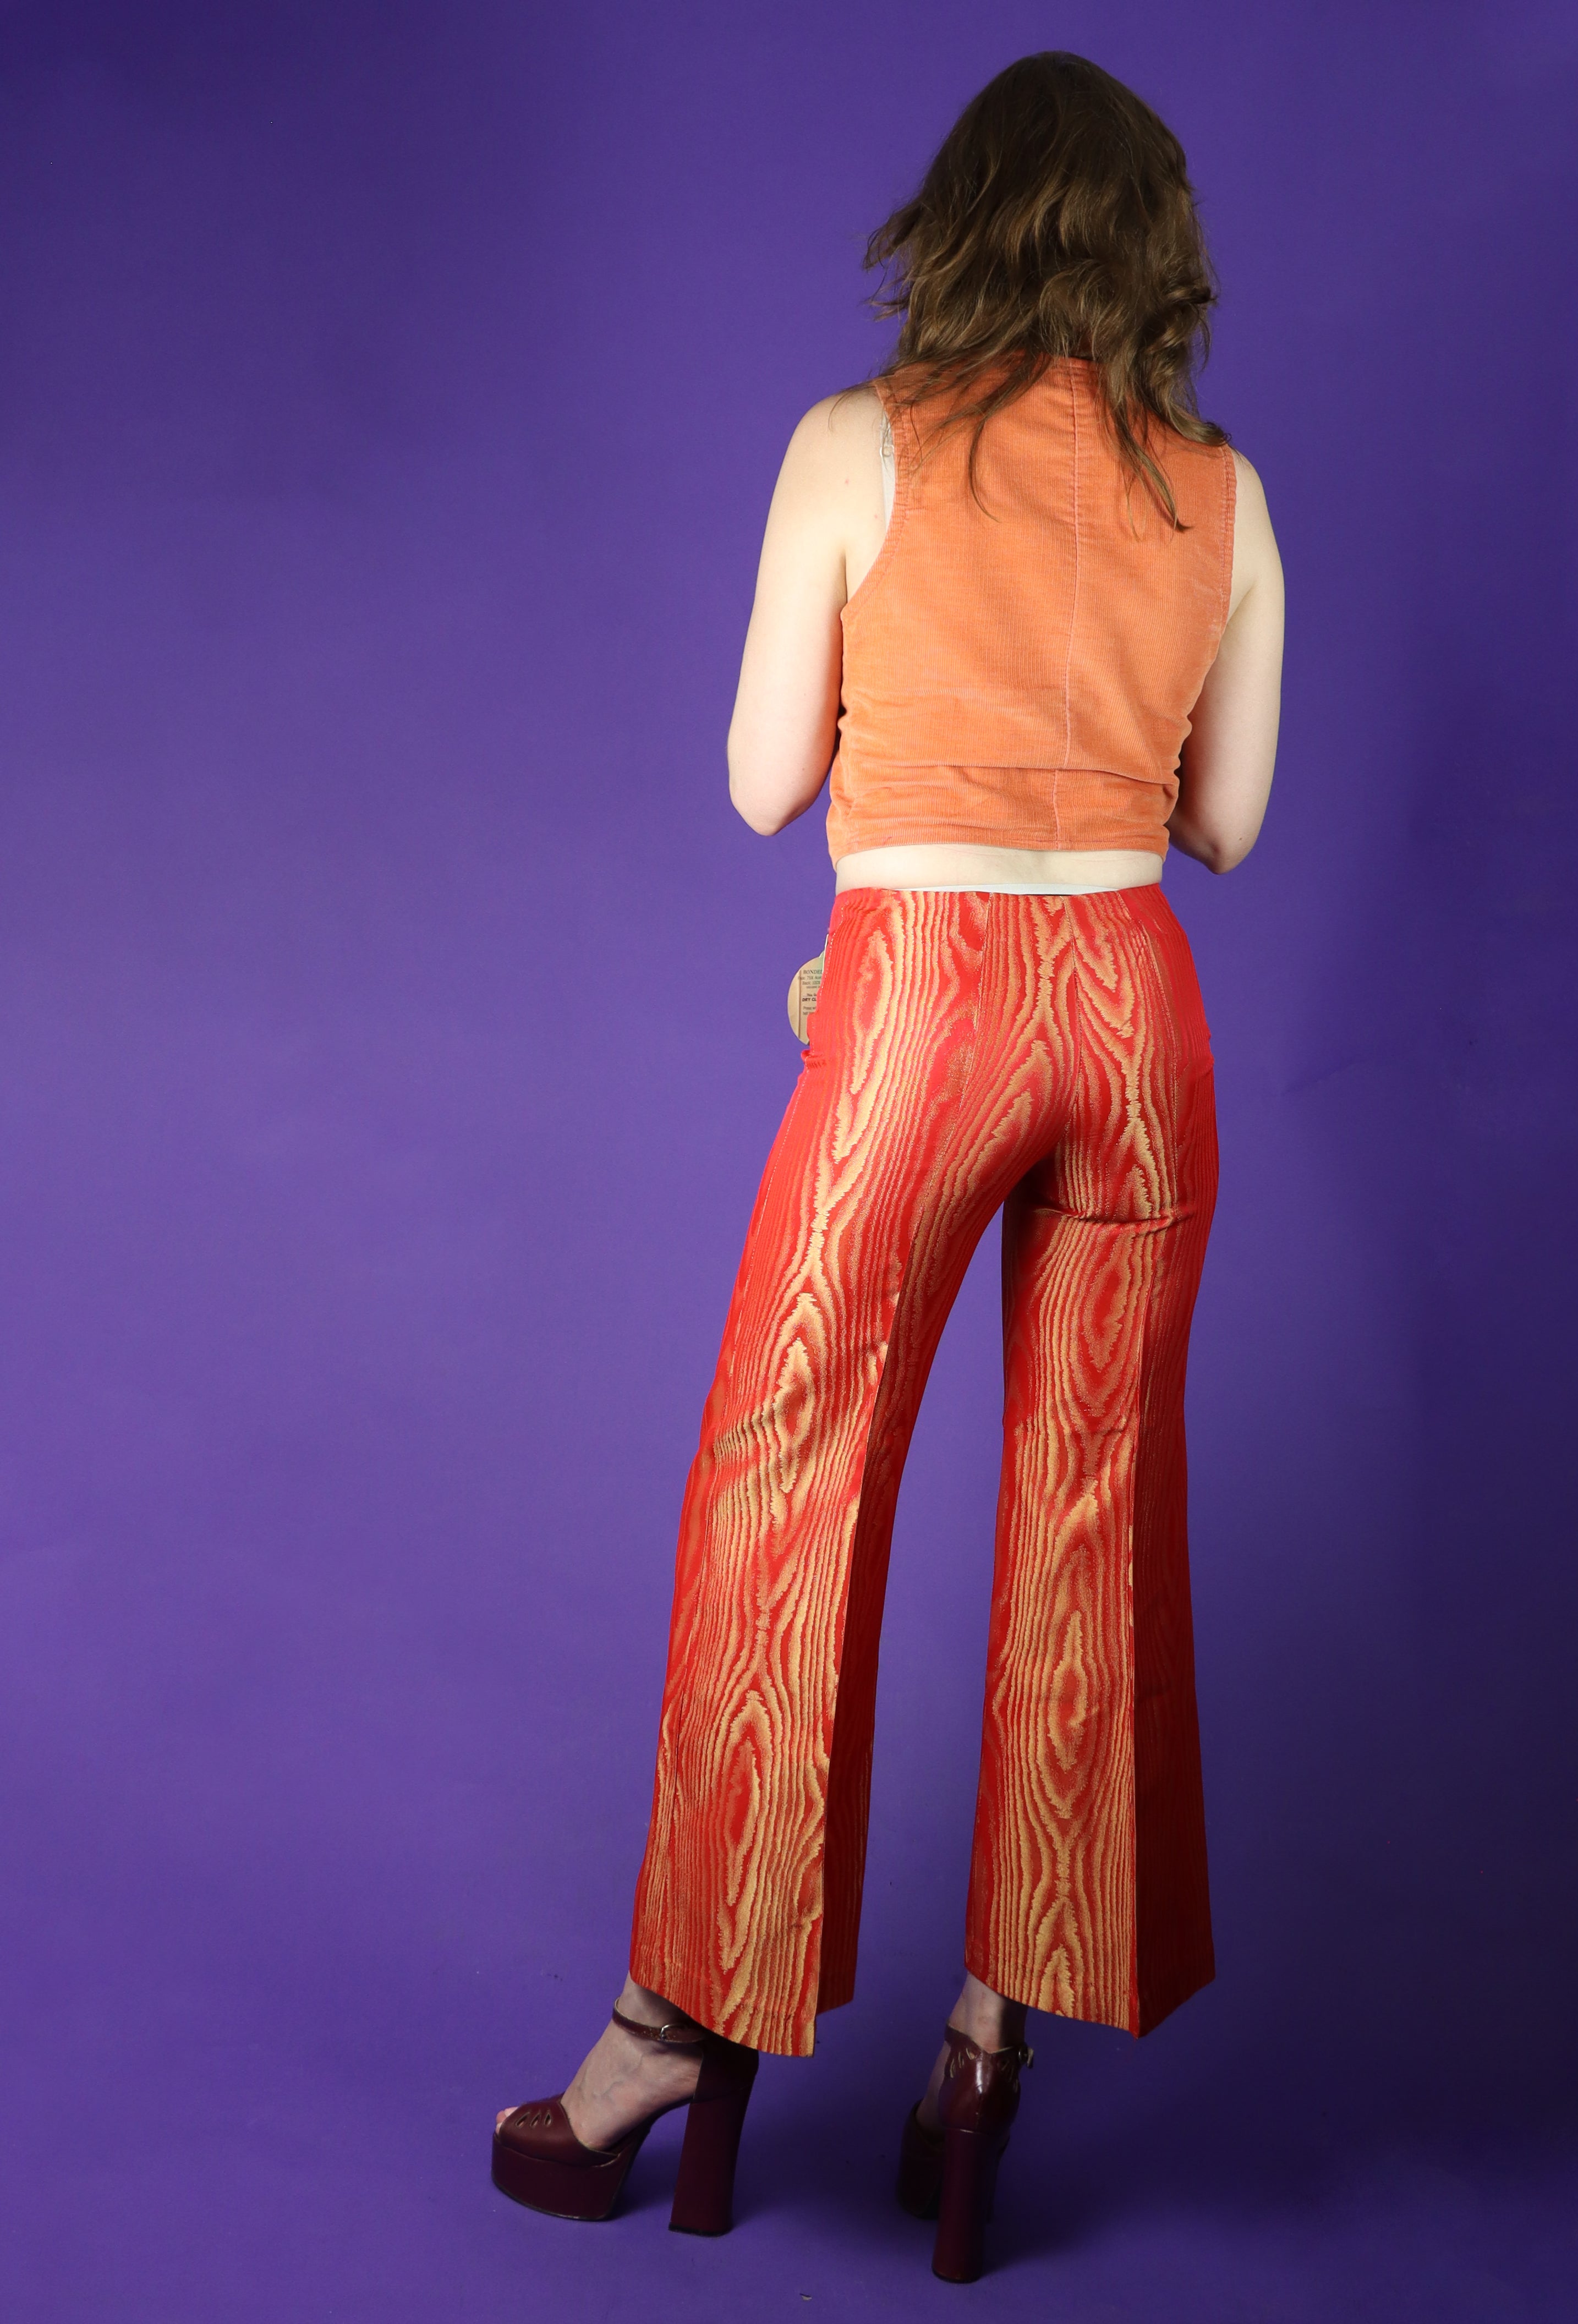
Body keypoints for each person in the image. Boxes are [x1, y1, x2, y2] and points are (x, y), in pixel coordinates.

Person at [491, 50, 1283, 2283]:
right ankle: (987, 2052)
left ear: (959, 225)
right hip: (1132, 1021)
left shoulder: (855, 445)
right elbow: (1222, 825)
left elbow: (767, 781)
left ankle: (675, 2034)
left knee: (788, 1481)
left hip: (916, 1008)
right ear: (1152, 251)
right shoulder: (1224, 491)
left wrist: (869, 945)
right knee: (1093, 1524)